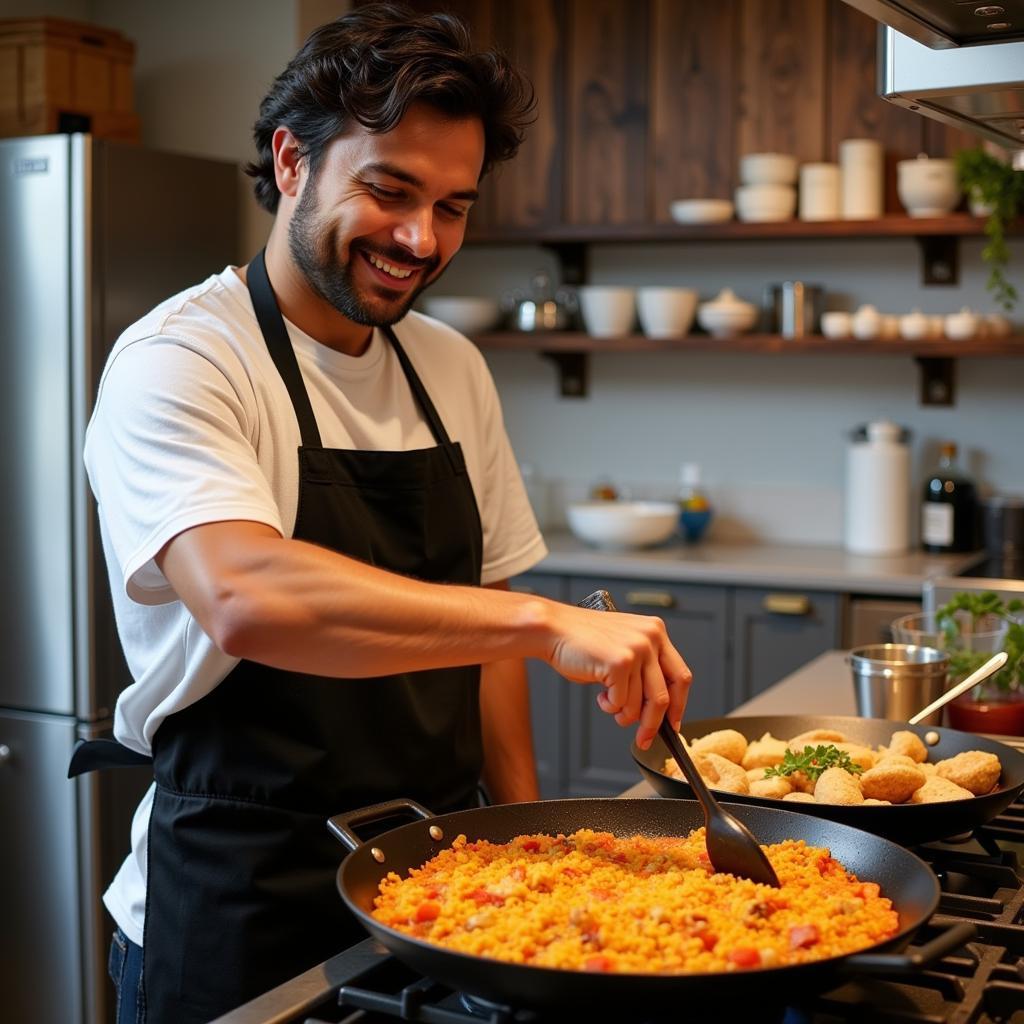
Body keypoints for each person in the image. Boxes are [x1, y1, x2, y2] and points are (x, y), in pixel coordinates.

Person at [74, 5, 692, 1023]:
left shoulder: (450, 366)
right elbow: (244, 594)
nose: (421, 239)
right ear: (289, 162)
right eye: (389, 192)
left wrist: (521, 840)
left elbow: (483, 631)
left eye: (453, 206)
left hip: (446, 896)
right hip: (241, 907)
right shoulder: (181, 359)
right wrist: (546, 622)